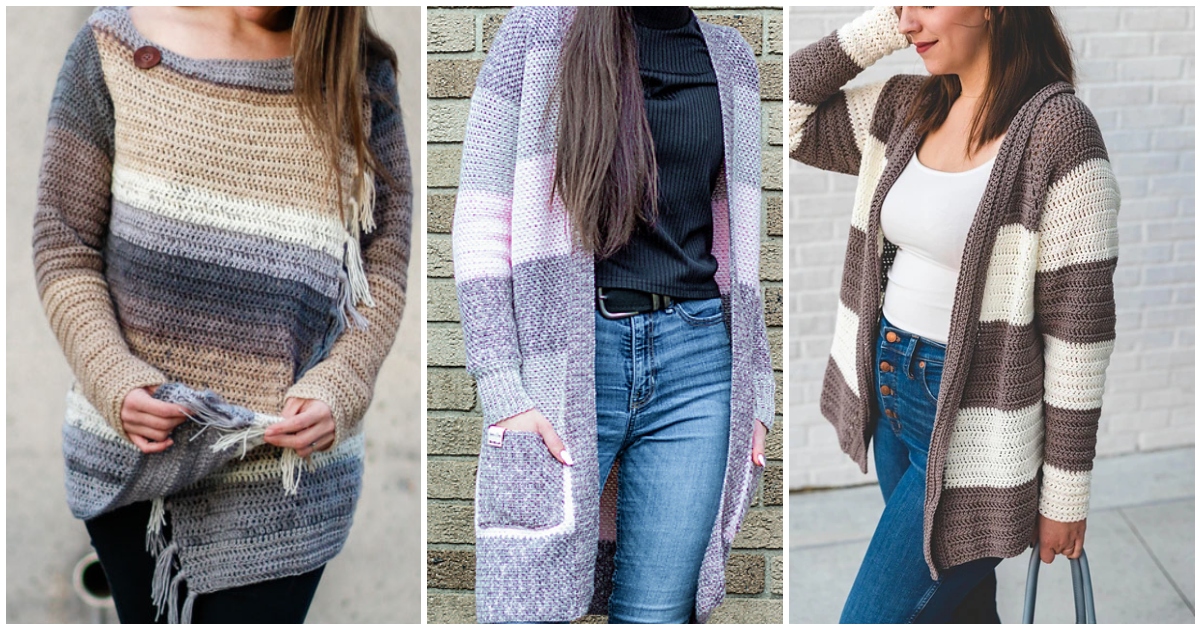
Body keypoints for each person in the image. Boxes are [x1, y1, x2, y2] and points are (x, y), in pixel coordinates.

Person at [33, 6, 411, 623]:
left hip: (284, 484)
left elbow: (382, 270)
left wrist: (342, 385)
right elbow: (64, 243)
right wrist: (112, 377)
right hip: (140, 465)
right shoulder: (114, 46)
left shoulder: (358, 77)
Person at [788, 6, 1118, 623]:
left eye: (925, 2)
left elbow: (1081, 333)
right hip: (893, 390)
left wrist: (1066, 494)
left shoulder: (1058, 131)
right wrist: (885, 25)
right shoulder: (907, 106)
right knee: (954, 612)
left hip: (978, 421)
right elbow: (784, 109)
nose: (909, 21)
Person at [452, 6, 775, 624]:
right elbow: (480, 222)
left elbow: (742, 245)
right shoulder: (538, 30)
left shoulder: (729, 58)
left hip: (699, 365)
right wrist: (502, 388)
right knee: (528, 611)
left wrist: (757, 390)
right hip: (567, 365)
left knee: (655, 615)